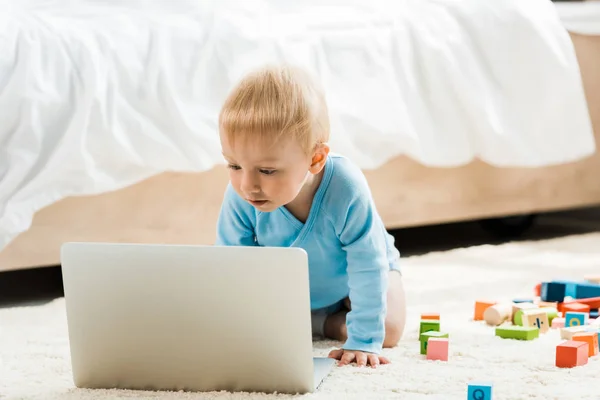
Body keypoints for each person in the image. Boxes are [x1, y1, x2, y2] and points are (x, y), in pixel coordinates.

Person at [214, 64, 406, 368]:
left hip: (354, 278)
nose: (247, 185)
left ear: (315, 159)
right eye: (234, 166)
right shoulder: (241, 196)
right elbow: (234, 266)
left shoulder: (345, 188)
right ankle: (325, 324)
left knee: (389, 330)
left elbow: (367, 263)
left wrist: (363, 339)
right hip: (292, 291)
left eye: (267, 170)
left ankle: (318, 321)